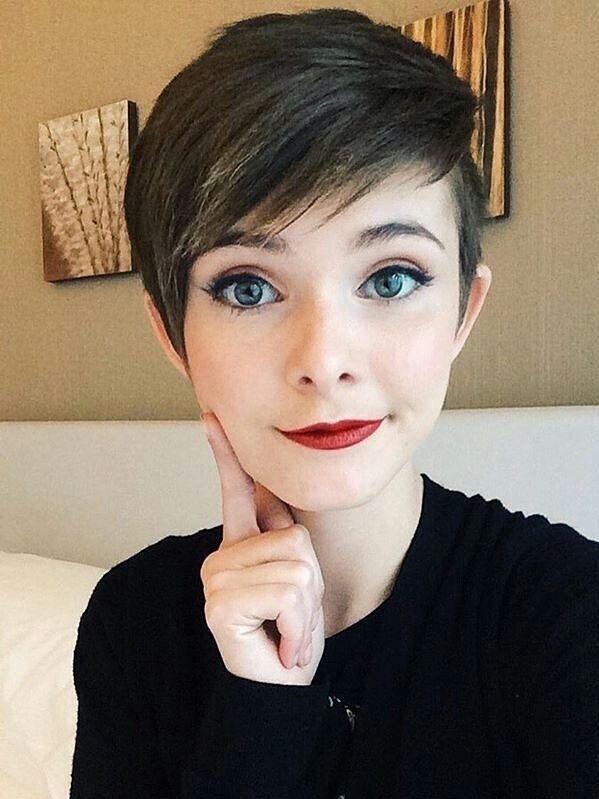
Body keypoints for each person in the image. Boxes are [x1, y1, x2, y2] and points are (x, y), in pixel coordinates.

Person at [69, 8, 599, 799]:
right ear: (171, 333)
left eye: (390, 278)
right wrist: (258, 709)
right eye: (247, 288)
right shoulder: (134, 620)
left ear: (462, 312)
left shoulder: (566, 612)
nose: (323, 362)